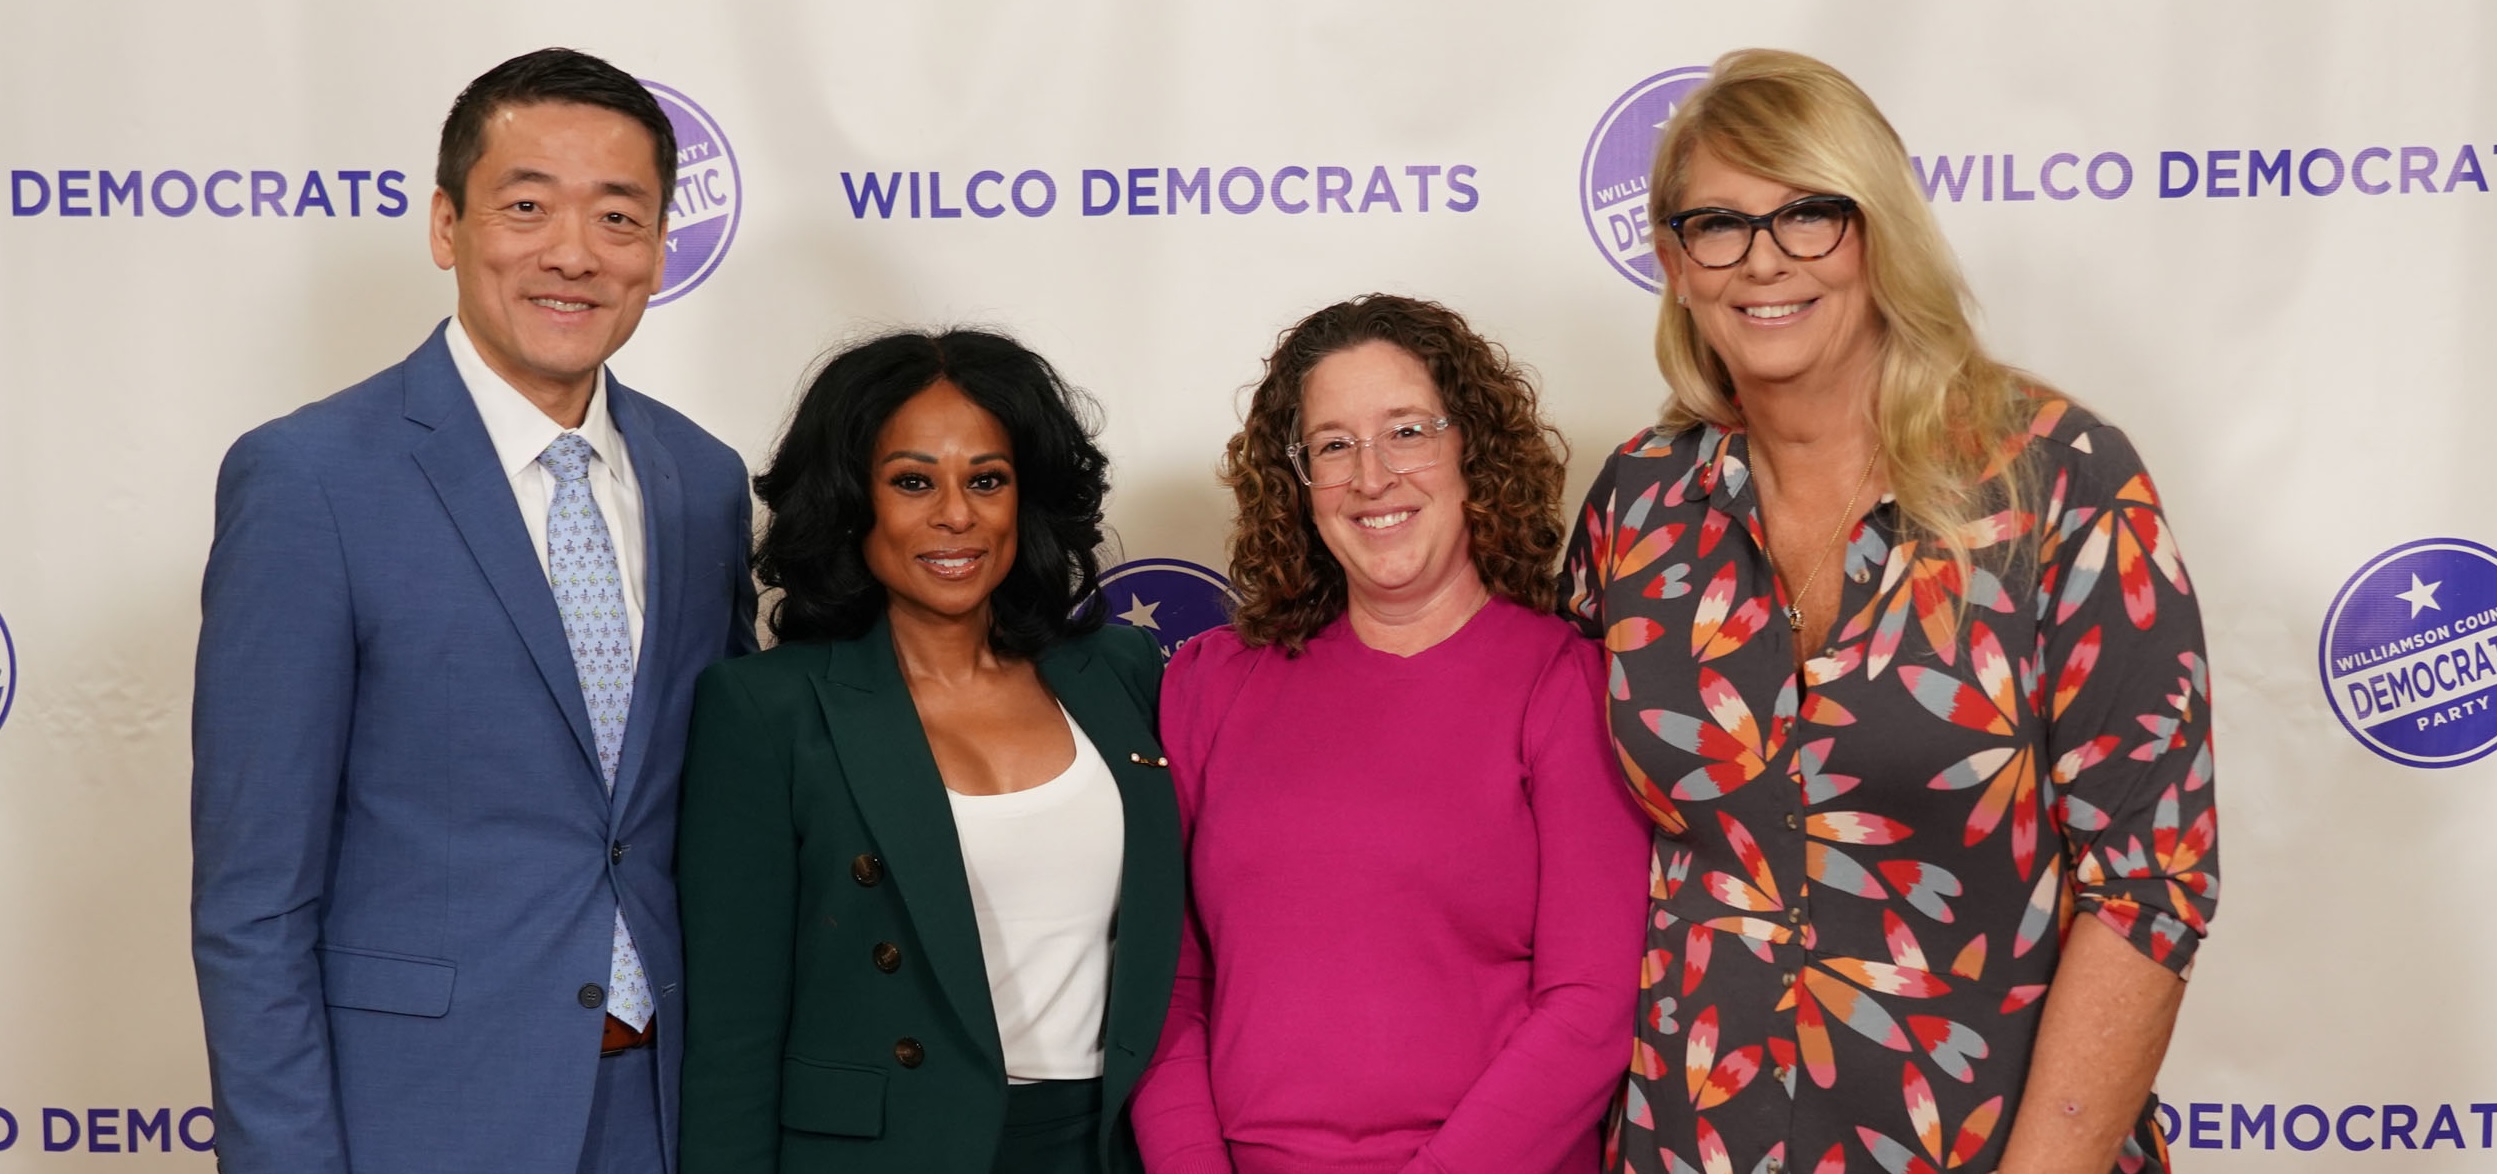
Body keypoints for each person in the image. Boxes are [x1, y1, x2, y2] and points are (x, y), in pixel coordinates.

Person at [1564, 49, 2219, 1174]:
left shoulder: (2057, 482)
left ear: (1877, 229)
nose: (1762, 260)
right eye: (1716, 224)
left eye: (1808, 216)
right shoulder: (1641, 500)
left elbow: (2148, 888)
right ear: (1674, 261)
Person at [190, 48, 757, 1174]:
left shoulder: (702, 480)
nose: (573, 254)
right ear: (448, 225)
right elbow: (253, 904)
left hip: (668, 1102)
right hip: (422, 1114)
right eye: (528, 205)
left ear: (657, 247)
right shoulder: (311, 481)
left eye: (618, 216)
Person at [1131, 294, 1651, 1172]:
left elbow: (1588, 1007)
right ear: (1295, 481)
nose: (1371, 477)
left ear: (1471, 453)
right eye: (1333, 445)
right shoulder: (1211, 683)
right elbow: (1165, 986)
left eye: (1407, 432)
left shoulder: (1562, 683)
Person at [675, 329, 1181, 1173]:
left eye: (987, 480)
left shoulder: (1119, 674)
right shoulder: (767, 709)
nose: (957, 514)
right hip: (886, 1151)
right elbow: (732, 1038)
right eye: (913, 482)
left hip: (1104, 1146)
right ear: (850, 502)